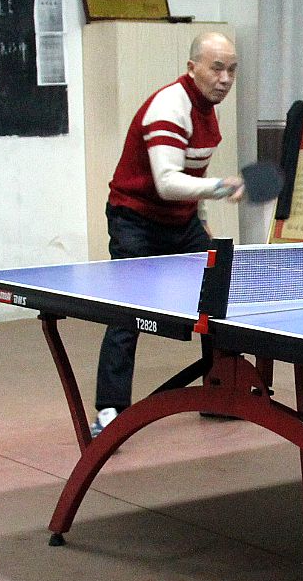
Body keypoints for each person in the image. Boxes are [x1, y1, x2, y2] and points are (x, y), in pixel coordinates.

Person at [92, 31, 245, 437]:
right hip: (135, 220)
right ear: (192, 68)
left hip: (181, 221)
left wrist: (202, 218)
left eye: (232, 70)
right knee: (128, 311)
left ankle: (219, 391)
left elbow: (192, 173)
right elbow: (167, 183)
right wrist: (221, 188)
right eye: (216, 68)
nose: (225, 79)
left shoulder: (207, 110)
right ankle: (109, 410)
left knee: (218, 297)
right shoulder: (170, 108)